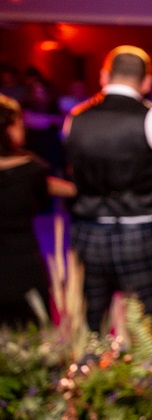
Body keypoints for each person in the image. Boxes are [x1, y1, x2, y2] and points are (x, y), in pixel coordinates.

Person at [63, 46, 152, 345]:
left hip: (87, 232)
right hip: (137, 232)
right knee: (149, 330)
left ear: (104, 76)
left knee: (89, 328)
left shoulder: (75, 118)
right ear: (146, 82)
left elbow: (75, 170)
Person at [0, 94, 75, 326]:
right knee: (32, 338)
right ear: (8, 127)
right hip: (21, 265)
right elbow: (58, 189)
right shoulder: (30, 169)